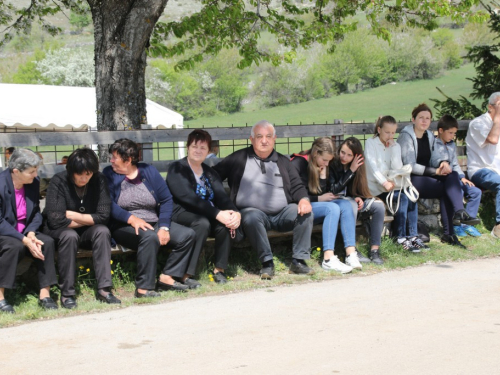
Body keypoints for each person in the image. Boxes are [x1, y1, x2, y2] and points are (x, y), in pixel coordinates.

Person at [213, 120, 314, 279]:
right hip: (252, 215)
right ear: (251, 139)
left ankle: (298, 261)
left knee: (305, 213)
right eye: (259, 136)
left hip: (282, 213)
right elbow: (213, 177)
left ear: (274, 139)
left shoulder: (283, 161)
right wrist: (225, 204)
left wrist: (303, 200)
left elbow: (297, 185)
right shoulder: (239, 158)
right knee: (252, 216)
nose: (264, 140)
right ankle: (267, 264)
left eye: (268, 136)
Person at [103, 139, 195, 297]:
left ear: (129, 159)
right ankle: (143, 288)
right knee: (150, 237)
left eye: (115, 157)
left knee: (187, 235)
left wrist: (165, 226)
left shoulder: (148, 171)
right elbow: (108, 204)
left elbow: (166, 199)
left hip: (153, 222)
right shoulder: (109, 174)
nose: (111, 160)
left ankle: (167, 276)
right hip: (123, 225)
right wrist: (132, 219)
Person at [42, 148, 120, 308]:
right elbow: (56, 220)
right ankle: (67, 294)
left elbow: (104, 216)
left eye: (89, 174)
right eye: (80, 174)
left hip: (83, 230)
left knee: (102, 231)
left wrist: (72, 215)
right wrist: (90, 219)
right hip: (58, 231)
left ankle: (105, 289)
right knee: (70, 236)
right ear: (71, 171)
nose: (84, 178)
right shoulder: (59, 181)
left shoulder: (99, 180)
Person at [397, 103, 480, 248]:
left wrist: (442, 162)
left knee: (452, 174)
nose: (424, 121)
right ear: (413, 119)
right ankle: (451, 231)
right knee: (446, 189)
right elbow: (409, 166)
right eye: (421, 117)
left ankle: (457, 217)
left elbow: (435, 157)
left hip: (427, 176)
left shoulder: (429, 135)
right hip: (409, 179)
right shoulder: (406, 136)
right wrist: (435, 171)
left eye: (427, 118)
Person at [167, 130, 241, 285]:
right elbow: (188, 198)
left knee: (225, 223)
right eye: (195, 146)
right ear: (188, 147)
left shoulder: (210, 172)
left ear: (208, 151)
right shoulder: (176, 168)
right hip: (181, 212)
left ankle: (219, 270)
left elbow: (221, 196)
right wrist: (217, 213)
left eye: (203, 148)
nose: (198, 151)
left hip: (207, 213)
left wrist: (235, 213)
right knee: (201, 223)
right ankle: (186, 274)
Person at [0, 148, 58, 313]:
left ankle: (45, 294)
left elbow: (36, 214)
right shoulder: (0, 184)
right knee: (14, 246)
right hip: (5, 232)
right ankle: (0, 297)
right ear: (16, 171)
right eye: (31, 171)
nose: (35, 175)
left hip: (26, 230)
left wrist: (31, 233)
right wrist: (23, 239)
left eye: (36, 170)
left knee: (46, 242)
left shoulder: (32, 183)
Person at [290, 137, 356, 273]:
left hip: (314, 203)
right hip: (298, 206)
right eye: (325, 160)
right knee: (332, 208)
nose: (327, 164)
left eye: (329, 161)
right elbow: (295, 194)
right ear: (315, 154)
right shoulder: (299, 163)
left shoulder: (320, 165)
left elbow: (322, 190)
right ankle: (328, 258)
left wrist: (322, 176)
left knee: (345, 204)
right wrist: (319, 198)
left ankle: (351, 253)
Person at [365, 116, 425, 253]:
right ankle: (400, 236)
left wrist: (394, 149)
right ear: (379, 129)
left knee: (411, 195)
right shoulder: (371, 143)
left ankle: (413, 235)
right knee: (402, 198)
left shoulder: (395, 145)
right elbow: (372, 166)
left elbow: (397, 167)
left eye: (393, 133)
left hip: (392, 185)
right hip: (376, 187)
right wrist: (384, 182)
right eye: (387, 132)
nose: (390, 136)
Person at [329, 137, 386, 266]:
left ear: (356, 156)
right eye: (342, 152)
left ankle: (375, 250)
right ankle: (352, 250)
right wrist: (351, 171)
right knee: (351, 205)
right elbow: (334, 190)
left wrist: (359, 197)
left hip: (351, 201)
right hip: (337, 203)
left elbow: (360, 191)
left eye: (349, 155)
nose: (344, 157)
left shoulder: (359, 168)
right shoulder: (333, 164)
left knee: (379, 206)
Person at [431, 115, 482, 237]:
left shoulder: (451, 145)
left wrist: (462, 177)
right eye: (450, 133)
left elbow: (455, 164)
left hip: (455, 177)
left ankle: (467, 223)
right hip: (444, 178)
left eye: (454, 133)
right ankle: (456, 224)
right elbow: (434, 162)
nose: (452, 136)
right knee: (457, 191)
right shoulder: (433, 144)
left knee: (475, 192)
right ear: (441, 131)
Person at [466, 92, 500, 238]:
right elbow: (492, 139)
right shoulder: (478, 123)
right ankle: (498, 227)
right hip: (480, 170)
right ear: (490, 107)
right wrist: (497, 118)